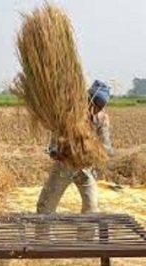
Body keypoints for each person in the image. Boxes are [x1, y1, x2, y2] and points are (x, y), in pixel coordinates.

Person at [36, 80, 114, 241]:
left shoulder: (102, 118)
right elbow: (56, 136)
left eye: (101, 105)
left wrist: (95, 154)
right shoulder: (71, 114)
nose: (97, 108)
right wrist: (54, 151)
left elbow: (106, 146)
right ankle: (42, 239)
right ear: (88, 99)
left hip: (86, 169)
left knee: (91, 205)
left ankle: (85, 240)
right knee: (47, 203)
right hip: (63, 166)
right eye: (95, 103)